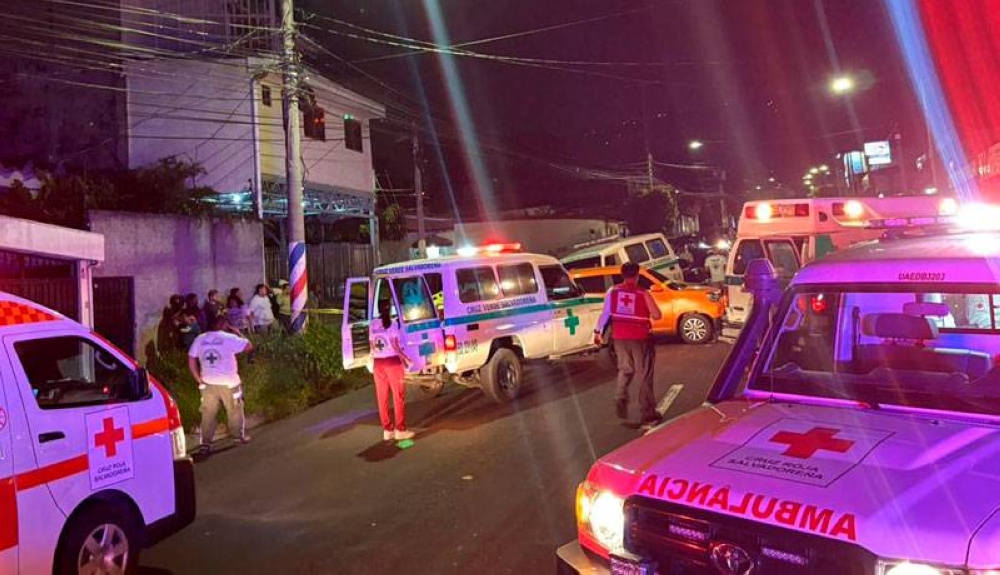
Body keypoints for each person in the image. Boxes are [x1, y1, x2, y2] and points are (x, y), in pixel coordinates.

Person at [594, 262, 663, 429]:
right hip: (640, 338)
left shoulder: (612, 291)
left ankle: (620, 397)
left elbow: (605, 313)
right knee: (644, 374)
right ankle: (648, 414)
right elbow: (657, 315)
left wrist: (598, 331)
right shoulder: (642, 293)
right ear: (637, 275)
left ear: (622, 274)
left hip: (620, 337)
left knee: (625, 369)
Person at [187, 316, 254, 456]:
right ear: (223, 324)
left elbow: (191, 358)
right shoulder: (229, 338)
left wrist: (197, 378)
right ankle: (238, 437)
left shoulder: (200, 339)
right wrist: (237, 332)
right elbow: (249, 346)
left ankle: (205, 444)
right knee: (234, 410)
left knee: (208, 413)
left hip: (207, 383)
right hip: (229, 383)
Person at [370, 298, 415, 442]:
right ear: (389, 309)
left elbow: (371, 345)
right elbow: (395, 346)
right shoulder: (393, 324)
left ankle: (387, 429)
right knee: (398, 395)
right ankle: (400, 429)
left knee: (382, 397)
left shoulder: (373, 324)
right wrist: (406, 358)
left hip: (378, 363)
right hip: (392, 362)